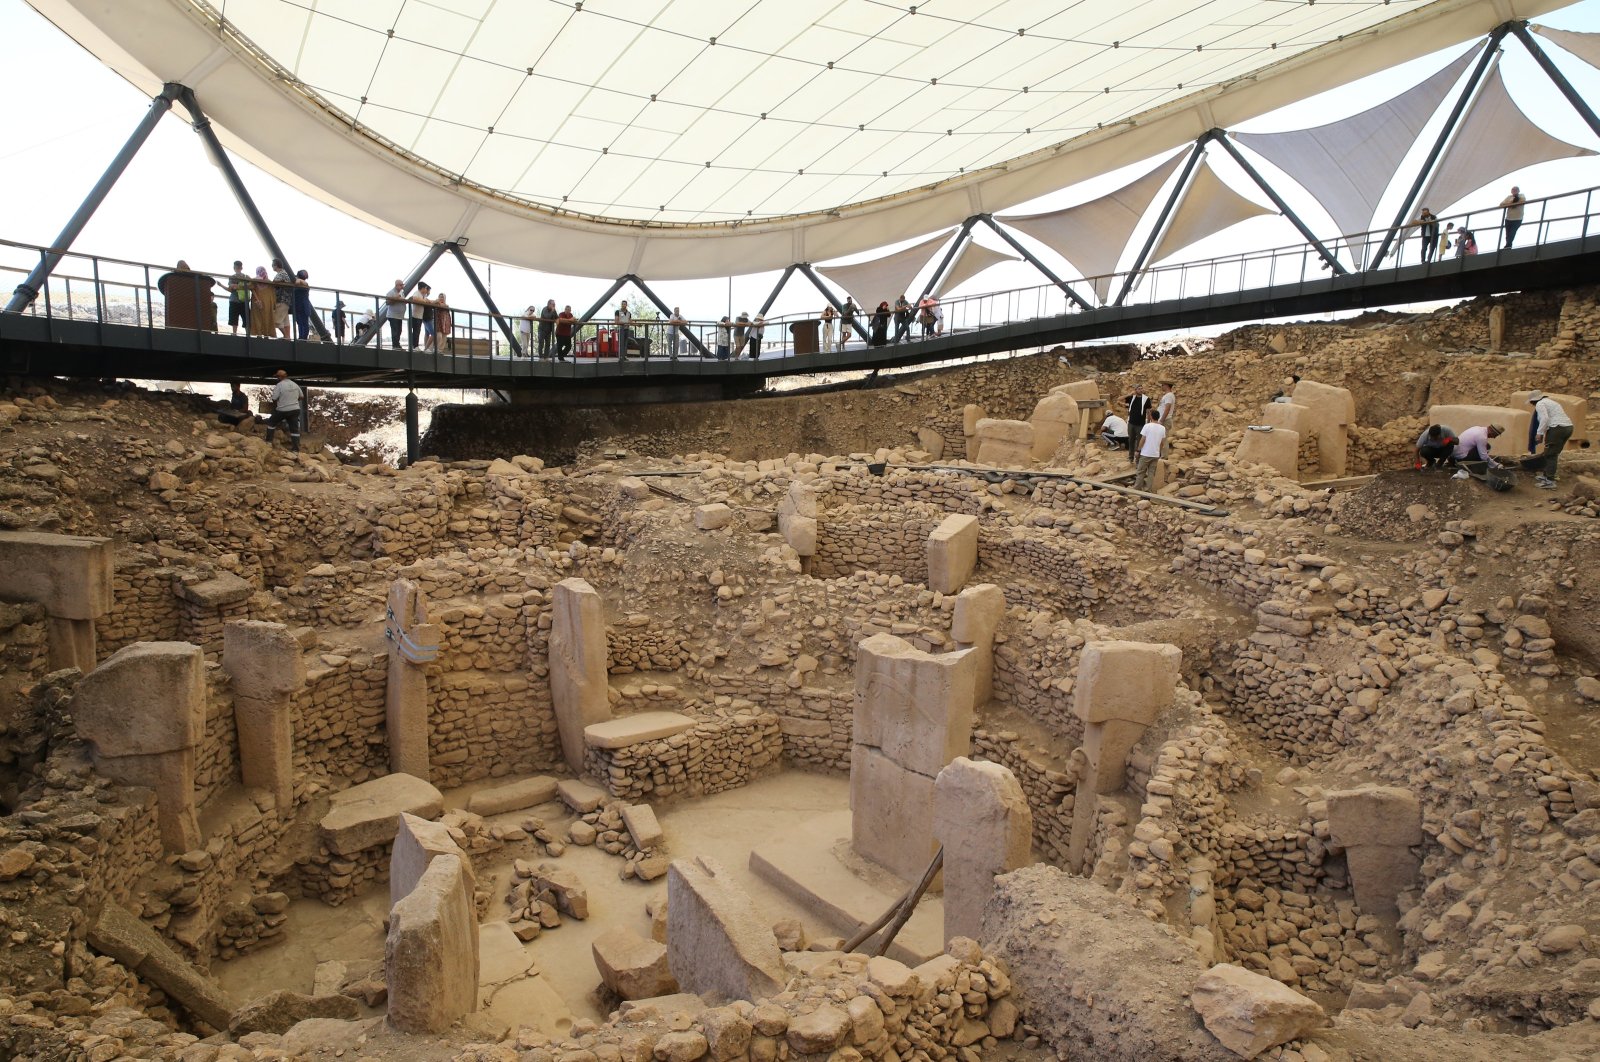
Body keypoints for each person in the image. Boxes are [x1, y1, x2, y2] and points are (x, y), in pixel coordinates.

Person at [1526, 390, 1574, 489]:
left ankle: (1550, 481)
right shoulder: (1551, 402)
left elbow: (1545, 418)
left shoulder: (1540, 404)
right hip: (1568, 427)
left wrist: (1539, 433)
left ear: (1533, 401)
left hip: (1557, 428)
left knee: (1550, 454)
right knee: (1553, 452)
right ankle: (1547, 475)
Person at [263, 369, 302, 451]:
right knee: (294, 429)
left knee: (271, 422)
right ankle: (295, 449)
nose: (277, 378)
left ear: (280, 377)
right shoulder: (294, 384)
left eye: (277, 377)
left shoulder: (279, 385)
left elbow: (274, 398)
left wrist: (281, 403)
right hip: (295, 409)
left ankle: (268, 442)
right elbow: (302, 397)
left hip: (283, 410)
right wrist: (293, 401)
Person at [1134, 409, 1166, 492]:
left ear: (1151, 416)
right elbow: (1162, 443)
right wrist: (1159, 452)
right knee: (1151, 473)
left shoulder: (1147, 426)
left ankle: (1136, 489)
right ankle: (1148, 490)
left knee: (1141, 472)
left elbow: (1142, 439)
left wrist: (1138, 450)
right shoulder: (1162, 428)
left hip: (1146, 453)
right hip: (1155, 454)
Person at [1125, 386, 1152, 465]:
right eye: (1139, 389)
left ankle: (1138, 459)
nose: (1141, 390)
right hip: (1131, 423)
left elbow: (1148, 411)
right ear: (1135, 390)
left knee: (1139, 442)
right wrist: (1129, 394)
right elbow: (1119, 399)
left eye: (1141, 388)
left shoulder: (1146, 399)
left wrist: (1149, 422)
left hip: (1141, 424)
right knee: (1131, 440)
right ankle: (1130, 457)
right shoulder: (1131, 398)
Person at [270, 259, 294, 339]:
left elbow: (274, 283)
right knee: (285, 320)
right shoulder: (284, 273)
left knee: (276, 320)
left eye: (273, 265)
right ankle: (287, 336)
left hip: (281, 300)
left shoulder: (281, 274)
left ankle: (286, 336)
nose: (272, 266)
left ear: (276, 265)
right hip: (286, 300)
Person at [250, 267, 275, 337]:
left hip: (260, 303)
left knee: (262, 318)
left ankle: (262, 334)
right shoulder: (268, 282)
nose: (261, 273)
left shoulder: (266, 282)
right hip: (262, 303)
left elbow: (249, 286)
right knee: (262, 318)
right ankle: (262, 334)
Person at [227, 261, 251, 335]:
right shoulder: (246, 277)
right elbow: (251, 284)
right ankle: (247, 334)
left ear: (234, 268)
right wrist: (243, 286)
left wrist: (236, 286)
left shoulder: (232, 277)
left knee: (235, 317)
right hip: (243, 300)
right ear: (241, 268)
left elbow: (231, 288)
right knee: (246, 318)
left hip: (235, 299)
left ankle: (235, 333)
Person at [408, 282, 430, 349]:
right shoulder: (417, 293)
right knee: (416, 332)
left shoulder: (423, 295)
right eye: (426, 288)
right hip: (415, 316)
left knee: (417, 332)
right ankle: (415, 346)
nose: (426, 290)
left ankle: (414, 346)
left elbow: (427, 301)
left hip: (419, 316)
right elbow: (414, 298)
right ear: (423, 288)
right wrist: (424, 301)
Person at [385, 280, 407, 348]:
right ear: (396, 285)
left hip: (399, 316)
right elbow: (387, 302)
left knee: (399, 331)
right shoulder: (391, 292)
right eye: (401, 285)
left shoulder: (402, 292)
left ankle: (397, 344)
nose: (402, 286)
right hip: (393, 315)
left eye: (403, 285)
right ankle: (395, 345)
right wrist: (396, 298)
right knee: (395, 331)